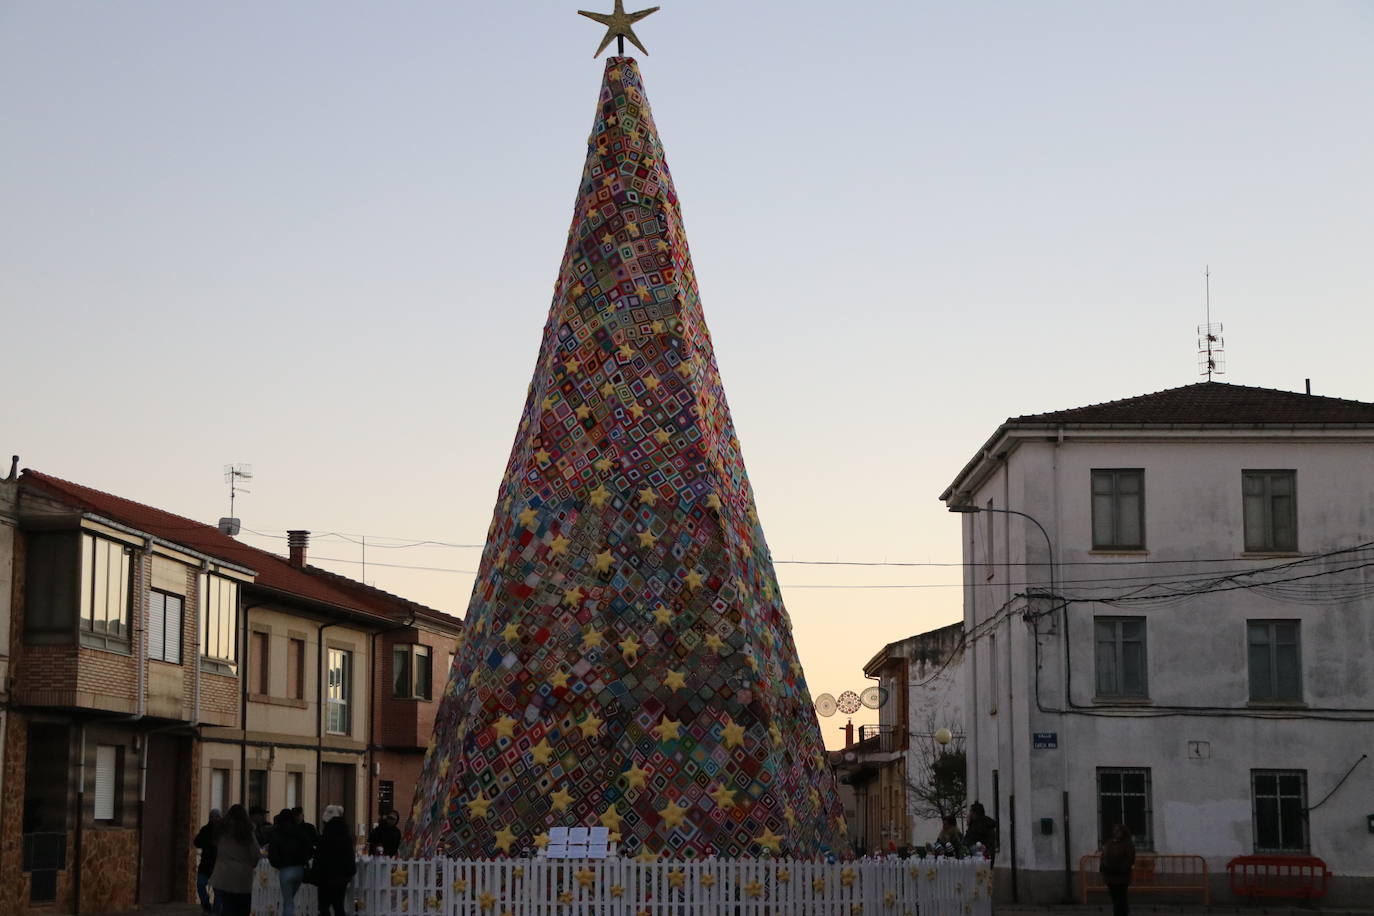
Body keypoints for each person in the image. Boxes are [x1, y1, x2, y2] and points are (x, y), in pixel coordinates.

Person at [210, 805, 259, 916]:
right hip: (242, 876)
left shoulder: (221, 831)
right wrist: (252, 863)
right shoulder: (247, 832)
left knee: (227, 906)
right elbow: (255, 853)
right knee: (242, 907)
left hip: (222, 874)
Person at [269, 808, 315, 916]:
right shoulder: (299, 831)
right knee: (289, 900)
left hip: (285, 869)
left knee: (288, 901)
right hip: (299, 869)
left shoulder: (277, 833)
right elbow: (310, 848)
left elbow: (273, 853)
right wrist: (304, 860)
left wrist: (278, 864)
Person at [314, 813, 357, 916]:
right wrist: (350, 873)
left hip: (325, 878)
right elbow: (350, 859)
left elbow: (318, 859)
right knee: (339, 905)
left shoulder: (324, 840)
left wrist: (316, 873)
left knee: (324, 906)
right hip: (341, 878)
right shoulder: (346, 841)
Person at [1100, 823, 1136, 916]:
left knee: (1120, 899)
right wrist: (1103, 866)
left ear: (1123, 832)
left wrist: (1120, 869)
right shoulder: (1110, 842)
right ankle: (1120, 913)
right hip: (1110, 876)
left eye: (1118, 831)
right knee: (1115, 898)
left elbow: (1130, 859)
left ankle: (1121, 913)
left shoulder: (1127, 844)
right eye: (1114, 831)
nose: (1115, 833)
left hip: (1121, 877)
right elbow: (1104, 855)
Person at [194, 808, 222, 915]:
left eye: (216, 817)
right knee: (201, 885)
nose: (214, 819)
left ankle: (216, 911)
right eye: (212, 817)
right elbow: (197, 842)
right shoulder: (205, 830)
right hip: (206, 864)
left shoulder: (223, 831)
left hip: (219, 865)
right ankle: (206, 907)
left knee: (218, 890)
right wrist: (207, 844)